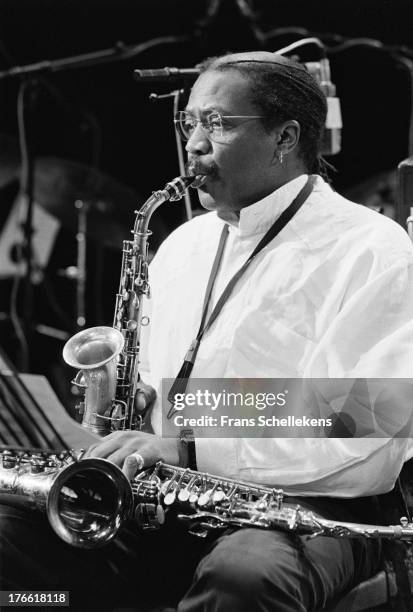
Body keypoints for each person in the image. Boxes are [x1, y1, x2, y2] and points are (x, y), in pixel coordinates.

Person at [2, 50, 413, 612]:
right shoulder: (183, 244)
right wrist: (135, 404)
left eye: (217, 124)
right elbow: (161, 392)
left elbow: (365, 411)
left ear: (285, 137)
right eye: (190, 122)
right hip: (171, 496)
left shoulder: (373, 247)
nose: (194, 142)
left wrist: (188, 444)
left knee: (242, 579)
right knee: (15, 552)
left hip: (314, 509)